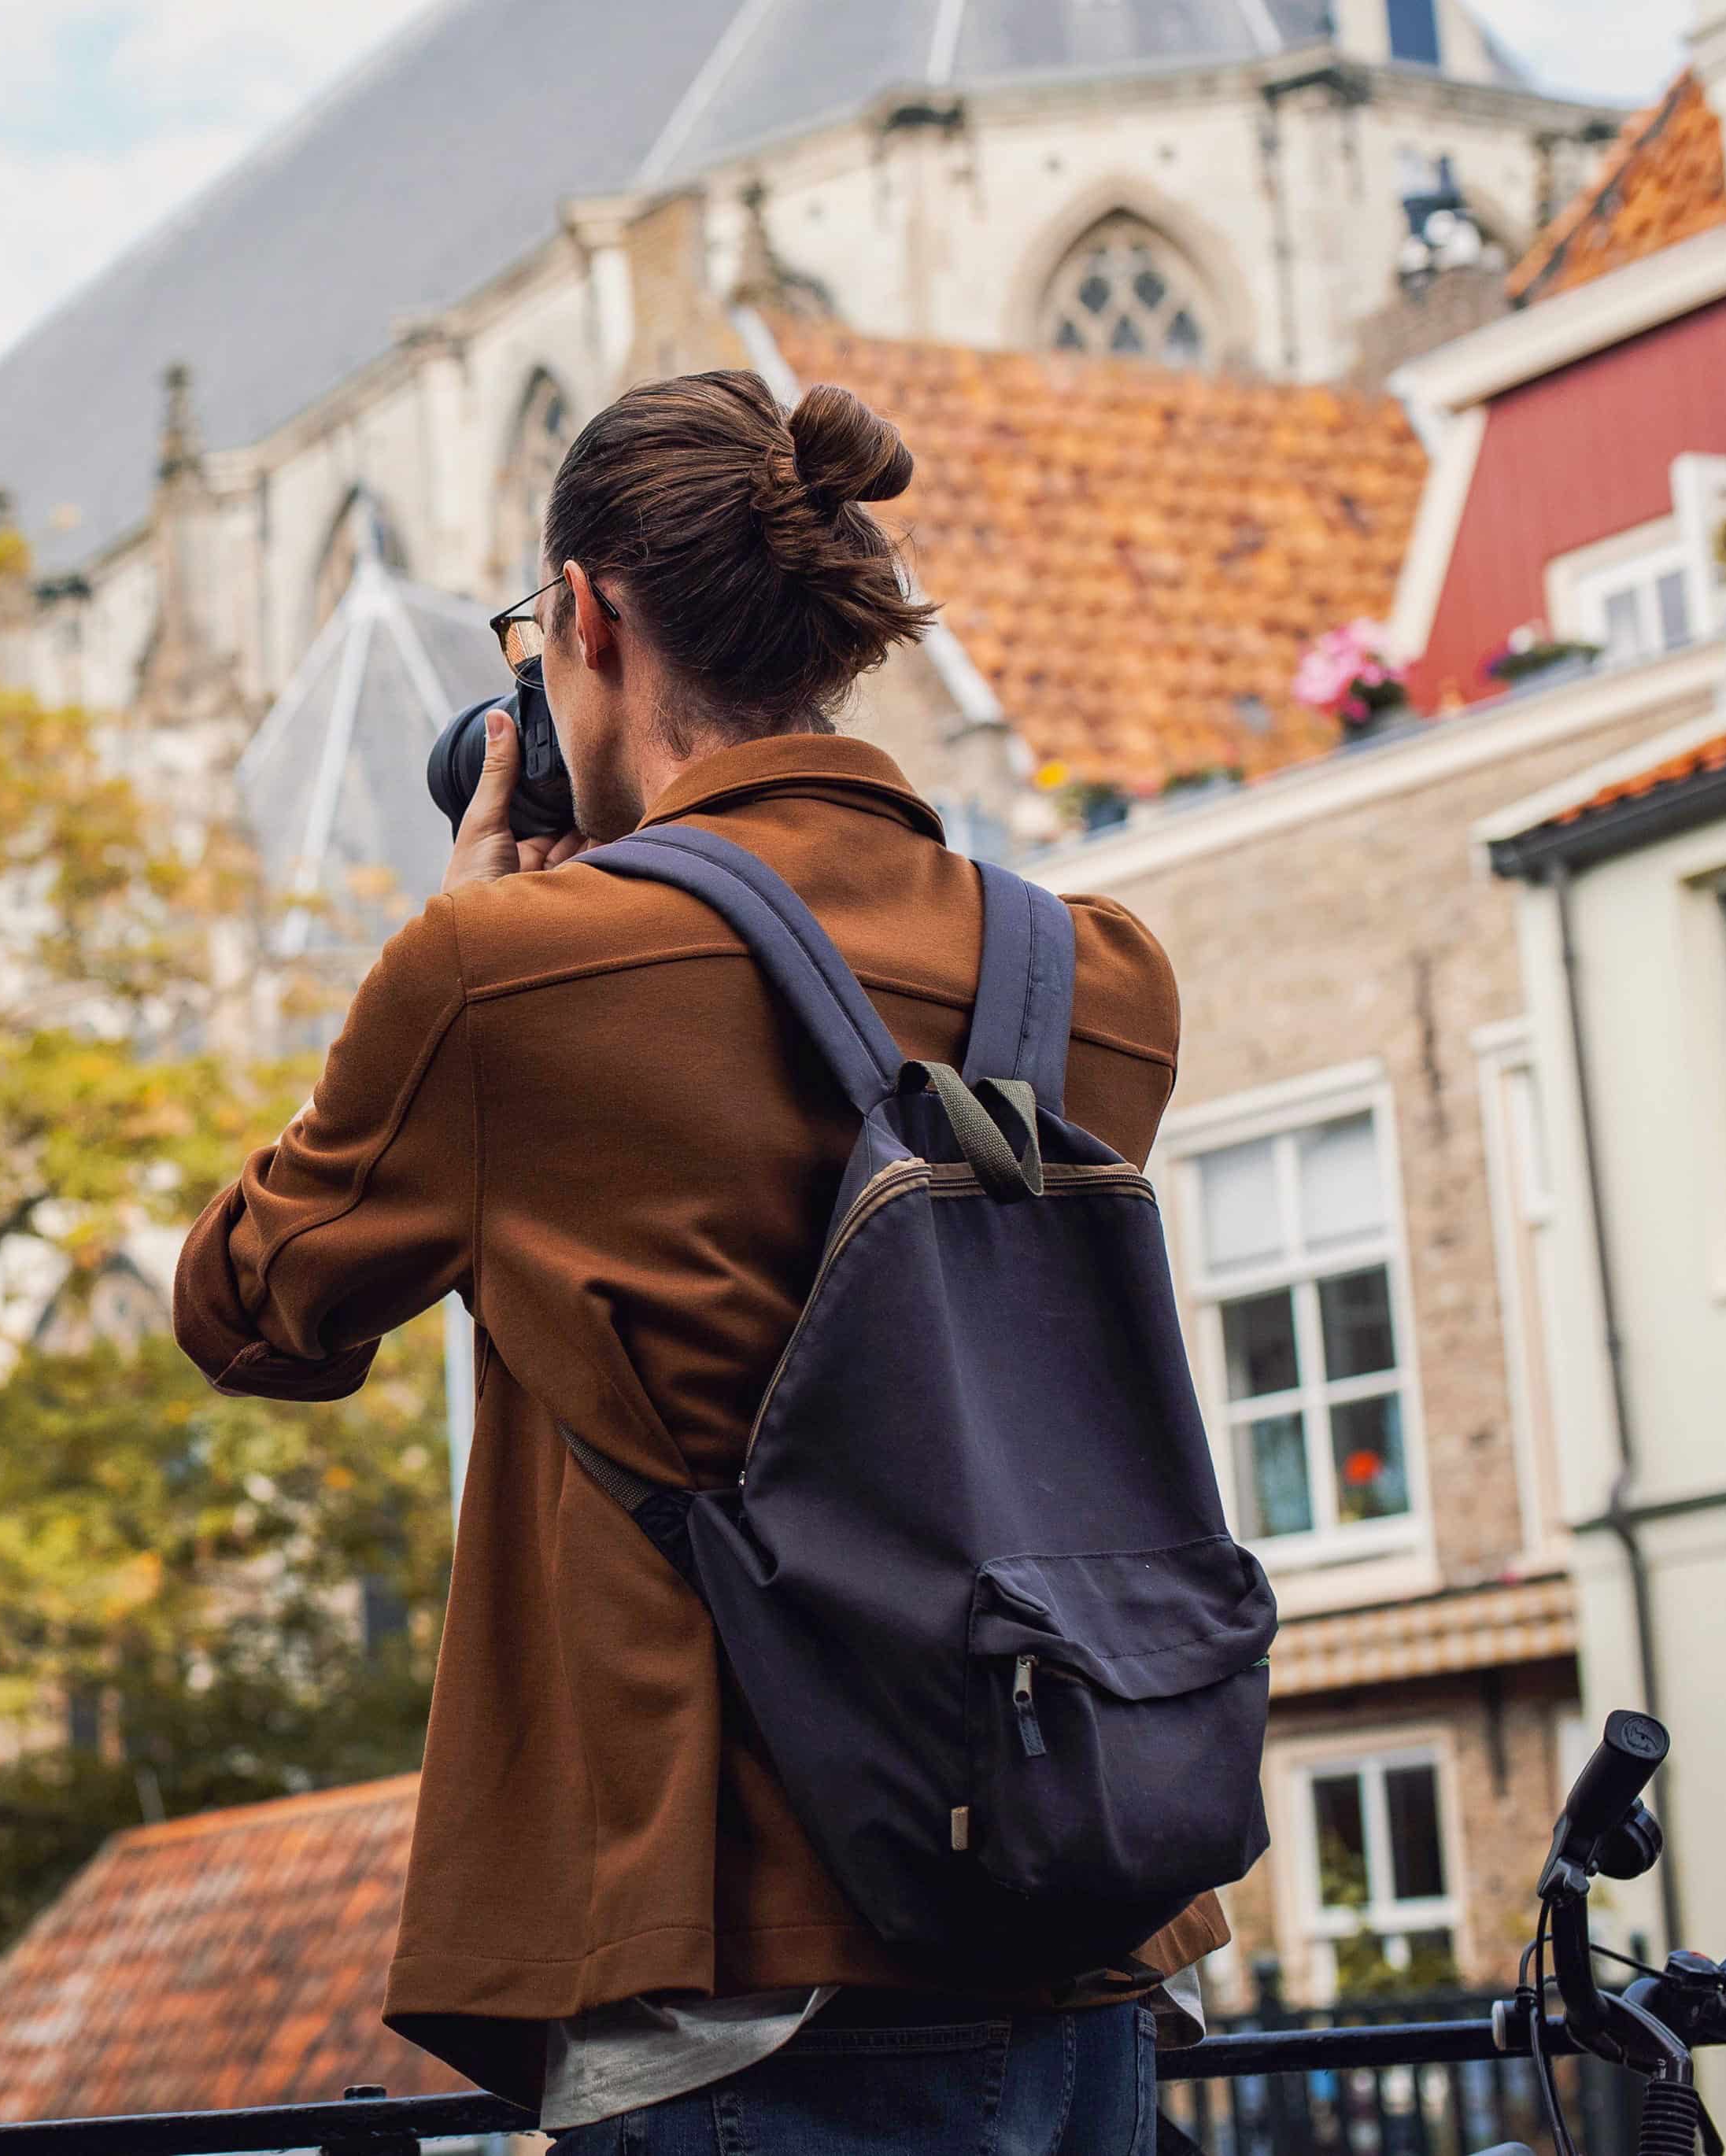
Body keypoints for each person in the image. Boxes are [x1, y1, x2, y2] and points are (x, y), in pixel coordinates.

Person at [173, 369, 1221, 2156]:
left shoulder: (502, 978)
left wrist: (479, 927)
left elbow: (250, 1306)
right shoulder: (1099, 973)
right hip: (1084, 1926)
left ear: (582, 614)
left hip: (741, 1968)